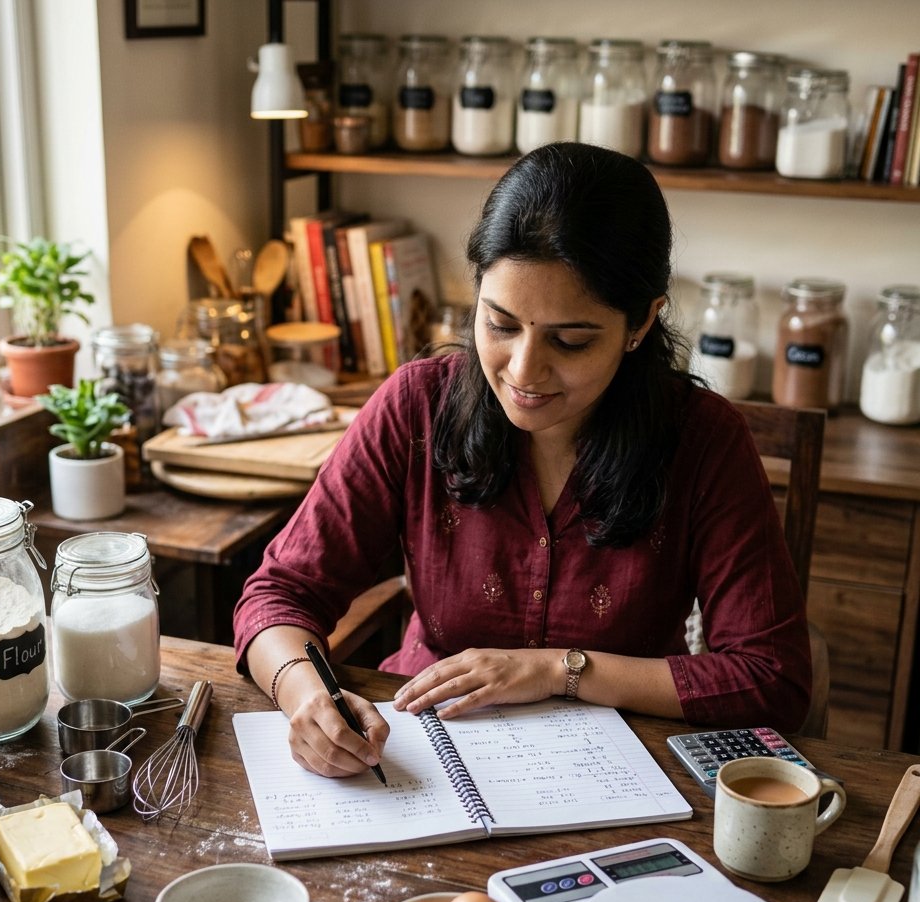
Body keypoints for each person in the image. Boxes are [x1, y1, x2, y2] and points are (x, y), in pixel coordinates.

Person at [233, 141, 812, 778]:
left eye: (571, 340)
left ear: (642, 323)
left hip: (625, 773)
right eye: (501, 324)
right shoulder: (417, 406)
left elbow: (773, 678)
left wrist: (559, 671)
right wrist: (305, 695)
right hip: (422, 754)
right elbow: (279, 594)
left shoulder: (703, 440)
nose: (524, 371)